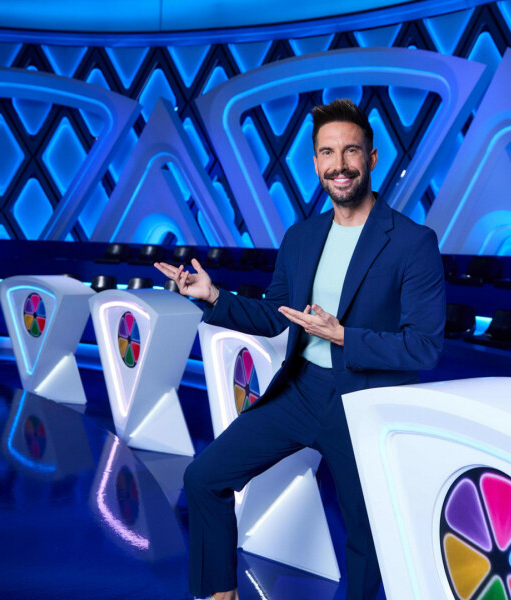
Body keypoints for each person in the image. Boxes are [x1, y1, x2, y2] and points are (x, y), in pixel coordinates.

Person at [155, 98, 445, 600]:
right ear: (314, 163)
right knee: (203, 477)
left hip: (361, 402)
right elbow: (277, 314)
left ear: (372, 158)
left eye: (351, 151)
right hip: (301, 390)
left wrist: (343, 336)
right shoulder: (302, 236)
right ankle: (220, 594)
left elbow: (423, 348)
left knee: (367, 538)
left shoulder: (413, 242)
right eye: (328, 152)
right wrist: (214, 297)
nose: (340, 164)